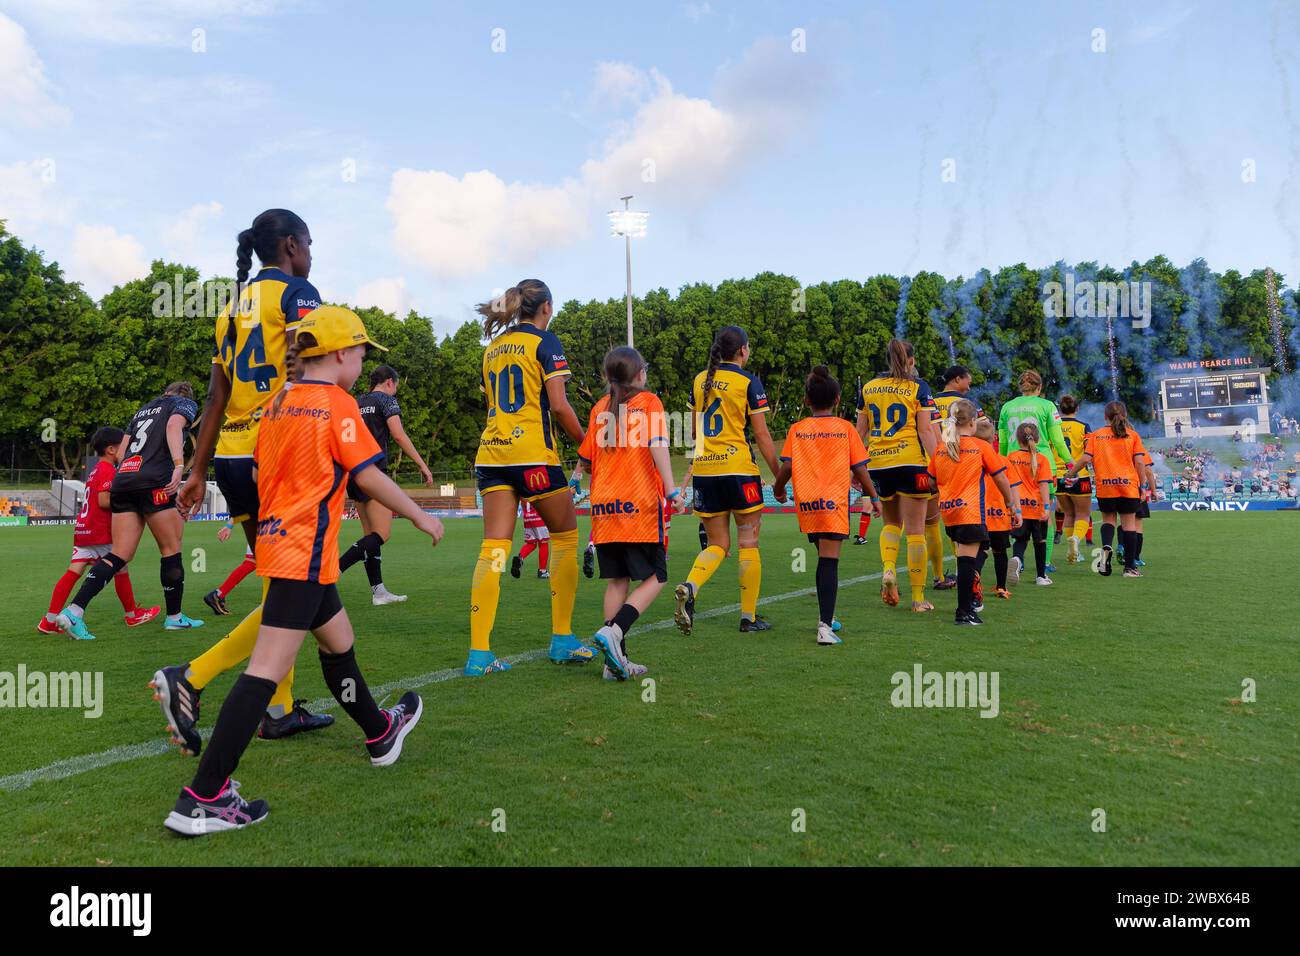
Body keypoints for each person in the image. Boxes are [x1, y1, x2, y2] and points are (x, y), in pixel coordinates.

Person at [163, 307, 443, 836]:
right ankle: (203, 796)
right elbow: (369, 475)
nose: (363, 363)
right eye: (362, 353)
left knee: (339, 642)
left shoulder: (279, 402)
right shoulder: (337, 403)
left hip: (278, 542)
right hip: (305, 551)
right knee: (265, 669)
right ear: (340, 353)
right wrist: (420, 513)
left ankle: (380, 731)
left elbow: (275, 469)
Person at [155, 209, 331, 755]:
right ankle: (192, 675)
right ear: (290, 246)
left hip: (233, 457)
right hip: (277, 453)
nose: (311, 252)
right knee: (299, 592)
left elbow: (215, 398)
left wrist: (198, 469)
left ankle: (278, 710)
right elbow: (310, 374)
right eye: (308, 242)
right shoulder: (299, 293)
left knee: (284, 585)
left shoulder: (229, 308)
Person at [467, 279, 592, 675]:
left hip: (492, 454)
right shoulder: (544, 342)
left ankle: (479, 654)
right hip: (532, 454)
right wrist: (588, 445)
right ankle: (562, 639)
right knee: (567, 537)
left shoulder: (492, 349)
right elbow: (558, 405)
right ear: (546, 307)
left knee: (494, 551)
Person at [57, 384, 204, 640]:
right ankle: (175, 617)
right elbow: (172, 427)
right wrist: (179, 466)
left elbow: (123, 452)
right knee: (171, 549)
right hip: (154, 481)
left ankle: (73, 611)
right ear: (184, 396)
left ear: (165, 391)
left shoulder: (141, 410)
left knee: (119, 554)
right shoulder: (183, 404)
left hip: (123, 481)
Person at [577, 346, 686, 680]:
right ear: (639, 373)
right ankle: (615, 631)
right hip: (637, 504)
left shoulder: (599, 408)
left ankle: (615, 663)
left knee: (617, 581)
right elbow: (658, 446)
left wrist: (573, 483)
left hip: (604, 507)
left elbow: (586, 459)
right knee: (658, 577)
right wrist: (671, 491)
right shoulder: (649, 402)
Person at [673, 325, 781, 634]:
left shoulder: (699, 380)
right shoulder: (748, 381)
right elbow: (761, 434)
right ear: (743, 350)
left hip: (706, 473)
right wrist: (778, 477)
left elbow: (694, 432)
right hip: (738, 471)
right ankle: (748, 618)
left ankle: (691, 586)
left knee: (718, 544)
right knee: (748, 544)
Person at [771, 366, 881, 645]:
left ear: (807, 401)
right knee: (829, 562)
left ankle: (828, 619)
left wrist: (778, 488)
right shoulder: (845, 428)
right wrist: (874, 498)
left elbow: (787, 466)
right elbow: (859, 468)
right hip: (832, 502)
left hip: (808, 503)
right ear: (837, 400)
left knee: (823, 556)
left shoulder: (798, 429)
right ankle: (824, 628)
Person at [38, 427, 160, 635]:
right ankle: (132, 615)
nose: (129, 447)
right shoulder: (107, 470)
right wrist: (130, 501)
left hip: (85, 529)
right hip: (101, 529)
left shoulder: (95, 469)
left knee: (73, 571)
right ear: (112, 449)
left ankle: (49, 621)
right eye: (125, 444)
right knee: (120, 567)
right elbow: (103, 500)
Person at [337, 365, 435, 604]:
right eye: (396, 387)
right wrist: (422, 464)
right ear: (390, 382)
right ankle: (333, 571)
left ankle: (378, 592)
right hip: (373, 473)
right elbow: (399, 435)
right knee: (382, 534)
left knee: (369, 536)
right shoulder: (387, 401)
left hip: (352, 472)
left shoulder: (356, 401)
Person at [855, 339, 939, 612]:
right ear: (911, 361)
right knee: (916, 532)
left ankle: (889, 570)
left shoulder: (868, 388)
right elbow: (926, 431)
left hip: (878, 464)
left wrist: (854, 468)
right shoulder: (919, 387)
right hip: (911, 462)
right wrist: (940, 465)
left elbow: (859, 434)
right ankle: (917, 598)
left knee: (891, 525)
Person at [927, 399, 1020, 624]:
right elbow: (1001, 478)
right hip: (970, 511)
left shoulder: (942, 448)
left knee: (965, 558)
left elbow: (930, 482)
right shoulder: (981, 447)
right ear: (971, 422)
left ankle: (967, 607)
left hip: (949, 512)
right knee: (968, 561)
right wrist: (1011, 505)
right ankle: (964, 611)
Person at [997, 369, 1071, 573]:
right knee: (1043, 513)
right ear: (1039, 387)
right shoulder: (1047, 405)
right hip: (1042, 463)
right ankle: (1044, 563)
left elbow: (1002, 441)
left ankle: (1017, 559)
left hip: (1013, 464)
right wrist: (1070, 461)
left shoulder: (1007, 407)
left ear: (1020, 387)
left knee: (1017, 510)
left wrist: (1001, 464)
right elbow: (1057, 438)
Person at [1064, 401, 1148, 578]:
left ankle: (1105, 555)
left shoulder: (1096, 435)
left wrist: (1070, 472)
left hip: (1106, 487)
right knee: (1129, 526)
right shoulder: (1132, 435)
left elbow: (1086, 459)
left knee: (1108, 521)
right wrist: (1142, 485)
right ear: (1124, 415)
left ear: (1105, 416)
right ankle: (1130, 568)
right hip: (1128, 487)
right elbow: (1140, 462)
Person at [926, 365, 982, 590]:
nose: (969, 385)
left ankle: (938, 576)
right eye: (968, 380)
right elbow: (982, 430)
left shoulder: (930, 400)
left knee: (930, 525)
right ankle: (964, 572)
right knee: (958, 519)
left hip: (933, 462)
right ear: (958, 379)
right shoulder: (967, 404)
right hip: (960, 466)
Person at [974, 417, 1019, 599]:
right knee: (1000, 552)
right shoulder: (1003, 461)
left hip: (977, 514)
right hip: (999, 515)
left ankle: (973, 581)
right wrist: (1015, 509)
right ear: (994, 439)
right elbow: (1013, 486)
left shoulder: (970, 460)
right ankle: (1001, 587)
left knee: (979, 550)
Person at [1006, 422, 1054, 586]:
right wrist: (1047, 507)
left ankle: (1018, 561)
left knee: (1020, 540)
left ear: (1018, 440)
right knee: (1040, 542)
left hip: (1019, 507)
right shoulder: (1042, 459)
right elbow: (1044, 485)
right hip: (1037, 507)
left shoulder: (1011, 457)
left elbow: (1007, 482)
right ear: (1038, 438)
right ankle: (1041, 576)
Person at [1054, 395, 1094, 564]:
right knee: (1083, 514)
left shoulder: (1053, 426)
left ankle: (1074, 552)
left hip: (1058, 475)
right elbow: (1089, 453)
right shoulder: (1083, 427)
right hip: (1079, 475)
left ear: (1059, 409)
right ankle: (1076, 540)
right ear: (1077, 409)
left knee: (1068, 513)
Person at [203, 522, 256, 616]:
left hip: (264, 526)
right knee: (251, 563)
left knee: (251, 563)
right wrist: (229, 526)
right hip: (269, 527)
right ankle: (218, 594)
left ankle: (218, 594)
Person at [511, 500, 550, 578]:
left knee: (531, 544)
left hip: (528, 519)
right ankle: (542, 571)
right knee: (543, 543)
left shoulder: (523, 488)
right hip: (539, 519)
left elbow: (522, 503)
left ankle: (520, 558)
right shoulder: (539, 487)